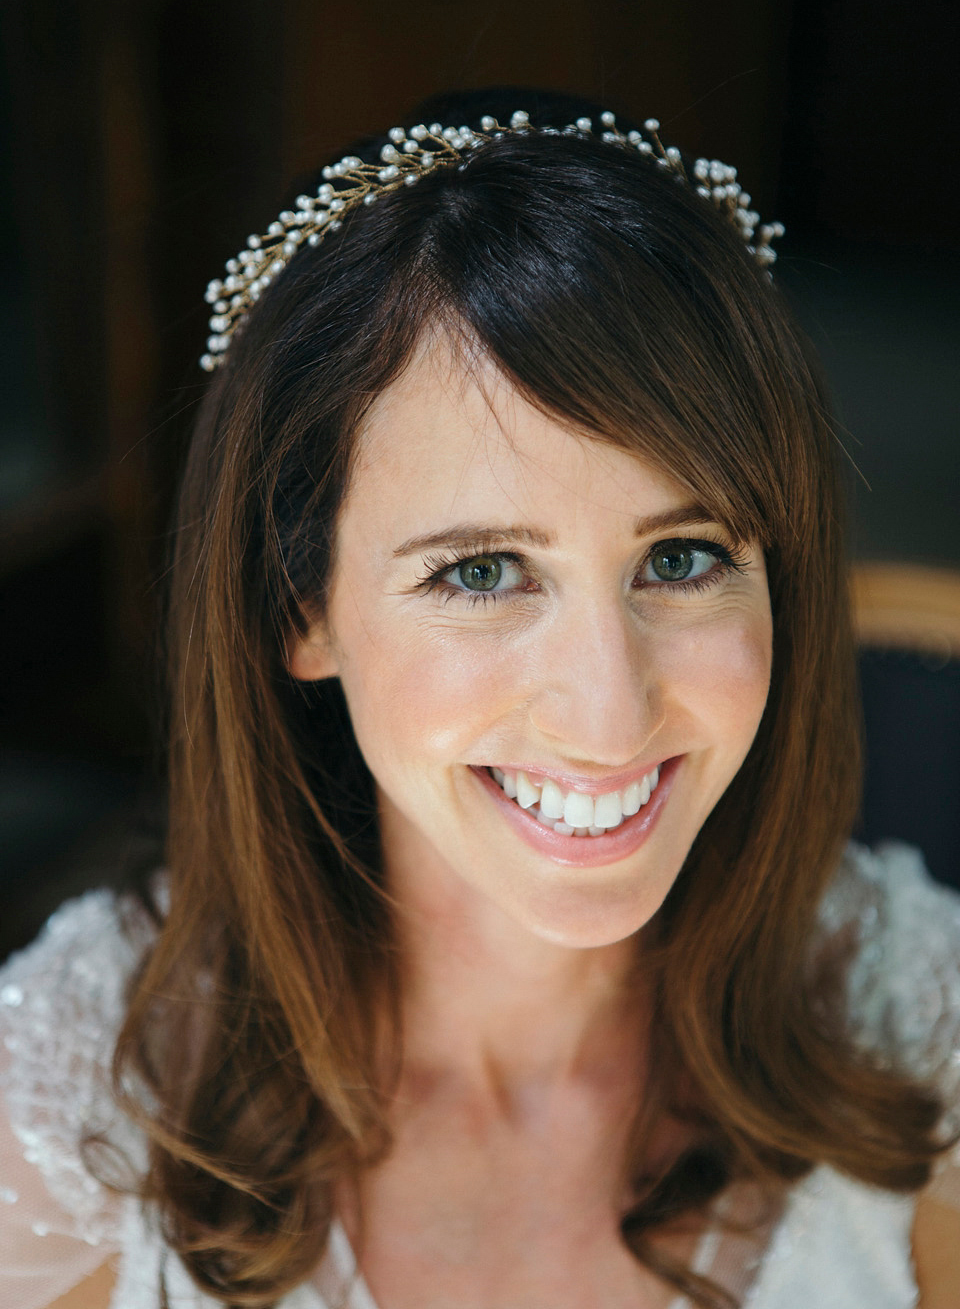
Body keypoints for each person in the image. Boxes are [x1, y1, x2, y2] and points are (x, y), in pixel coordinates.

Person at [1, 88, 959, 1309]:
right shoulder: (69, 1115)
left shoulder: (923, 1035)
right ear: (302, 608)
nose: (609, 715)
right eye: (482, 572)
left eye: (681, 558)